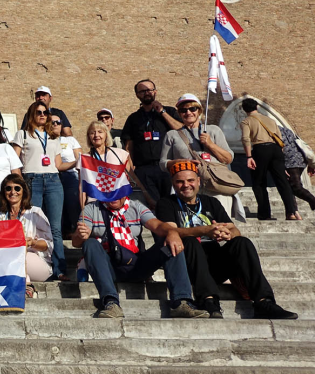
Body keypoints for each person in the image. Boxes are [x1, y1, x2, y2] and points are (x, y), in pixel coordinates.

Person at [155, 161, 297, 320]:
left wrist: (227, 235)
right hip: (189, 265)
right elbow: (170, 232)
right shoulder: (166, 203)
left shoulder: (210, 202)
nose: (186, 185)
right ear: (173, 184)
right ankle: (208, 300)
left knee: (242, 243)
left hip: (215, 263)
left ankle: (264, 301)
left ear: (198, 181)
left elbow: (234, 229)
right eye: (180, 181)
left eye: (190, 180)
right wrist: (204, 230)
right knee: (189, 241)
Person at [72, 189, 207, 320]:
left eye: (117, 192)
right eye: (108, 192)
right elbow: (76, 242)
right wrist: (80, 235)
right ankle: (110, 302)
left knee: (171, 241)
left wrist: (172, 232)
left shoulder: (136, 206)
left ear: (125, 191)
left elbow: (158, 226)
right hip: (109, 268)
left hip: (136, 264)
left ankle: (181, 301)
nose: (113, 196)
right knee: (90, 243)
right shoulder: (91, 209)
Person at [13, 100, 65, 279]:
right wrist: (20, 181)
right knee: (32, 226)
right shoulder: (22, 134)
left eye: (45, 112)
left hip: (53, 180)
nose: (42, 115)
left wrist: (79, 161)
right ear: (31, 115)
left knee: (55, 228)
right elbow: (15, 160)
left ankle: (60, 270)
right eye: (38, 112)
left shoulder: (53, 137)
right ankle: (35, 266)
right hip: (31, 179)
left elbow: (58, 164)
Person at [121, 79, 183, 209]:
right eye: (142, 91)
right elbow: (128, 148)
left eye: (149, 90)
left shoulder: (170, 112)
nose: (147, 93)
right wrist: (131, 172)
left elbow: (182, 131)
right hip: (144, 170)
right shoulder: (133, 119)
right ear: (137, 95)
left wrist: (162, 112)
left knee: (174, 206)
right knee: (153, 208)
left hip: (168, 167)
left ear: (155, 92)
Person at [159, 94, 235, 200]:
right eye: (183, 110)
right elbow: (163, 163)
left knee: (218, 216)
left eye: (192, 108)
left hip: (216, 186)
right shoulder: (172, 135)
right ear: (179, 114)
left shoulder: (214, 130)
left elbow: (228, 159)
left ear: (199, 111)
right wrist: (181, 162)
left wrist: (210, 145)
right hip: (187, 188)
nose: (188, 112)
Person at [241, 98, 300, 221]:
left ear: (244, 109)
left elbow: (246, 139)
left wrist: (249, 157)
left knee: (259, 183)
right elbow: (280, 139)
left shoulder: (247, 121)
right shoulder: (271, 120)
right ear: (257, 107)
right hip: (276, 150)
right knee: (283, 182)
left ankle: (265, 214)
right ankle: (291, 212)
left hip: (260, 149)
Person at [0, 174, 53, 285]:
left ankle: (26, 286)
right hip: (7, 261)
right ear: (3, 192)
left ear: (23, 192)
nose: (12, 192)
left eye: (17, 188)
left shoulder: (35, 213)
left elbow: (47, 245)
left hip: (35, 261)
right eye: (8, 188)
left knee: (18, 252)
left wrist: (32, 242)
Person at [83, 120, 142, 205]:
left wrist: (147, 197)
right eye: (92, 133)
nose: (96, 135)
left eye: (100, 132)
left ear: (106, 134)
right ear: (89, 137)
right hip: (95, 203)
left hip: (118, 201)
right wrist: (83, 210)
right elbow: (82, 188)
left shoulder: (120, 153)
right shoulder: (85, 159)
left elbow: (132, 178)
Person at [50, 114, 82, 237]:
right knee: (56, 207)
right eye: (52, 122)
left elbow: (79, 159)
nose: (55, 124)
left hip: (70, 174)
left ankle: (75, 232)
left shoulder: (70, 140)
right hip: (53, 175)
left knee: (73, 203)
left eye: (57, 122)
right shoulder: (45, 140)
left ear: (62, 124)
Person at [281, 125, 315, 212]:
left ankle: (313, 201)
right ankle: (293, 212)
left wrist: (280, 166)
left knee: (296, 187)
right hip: (301, 159)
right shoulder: (286, 130)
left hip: (290, 161)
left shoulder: (273, 131)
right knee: (290, 187)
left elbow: (279, 148)